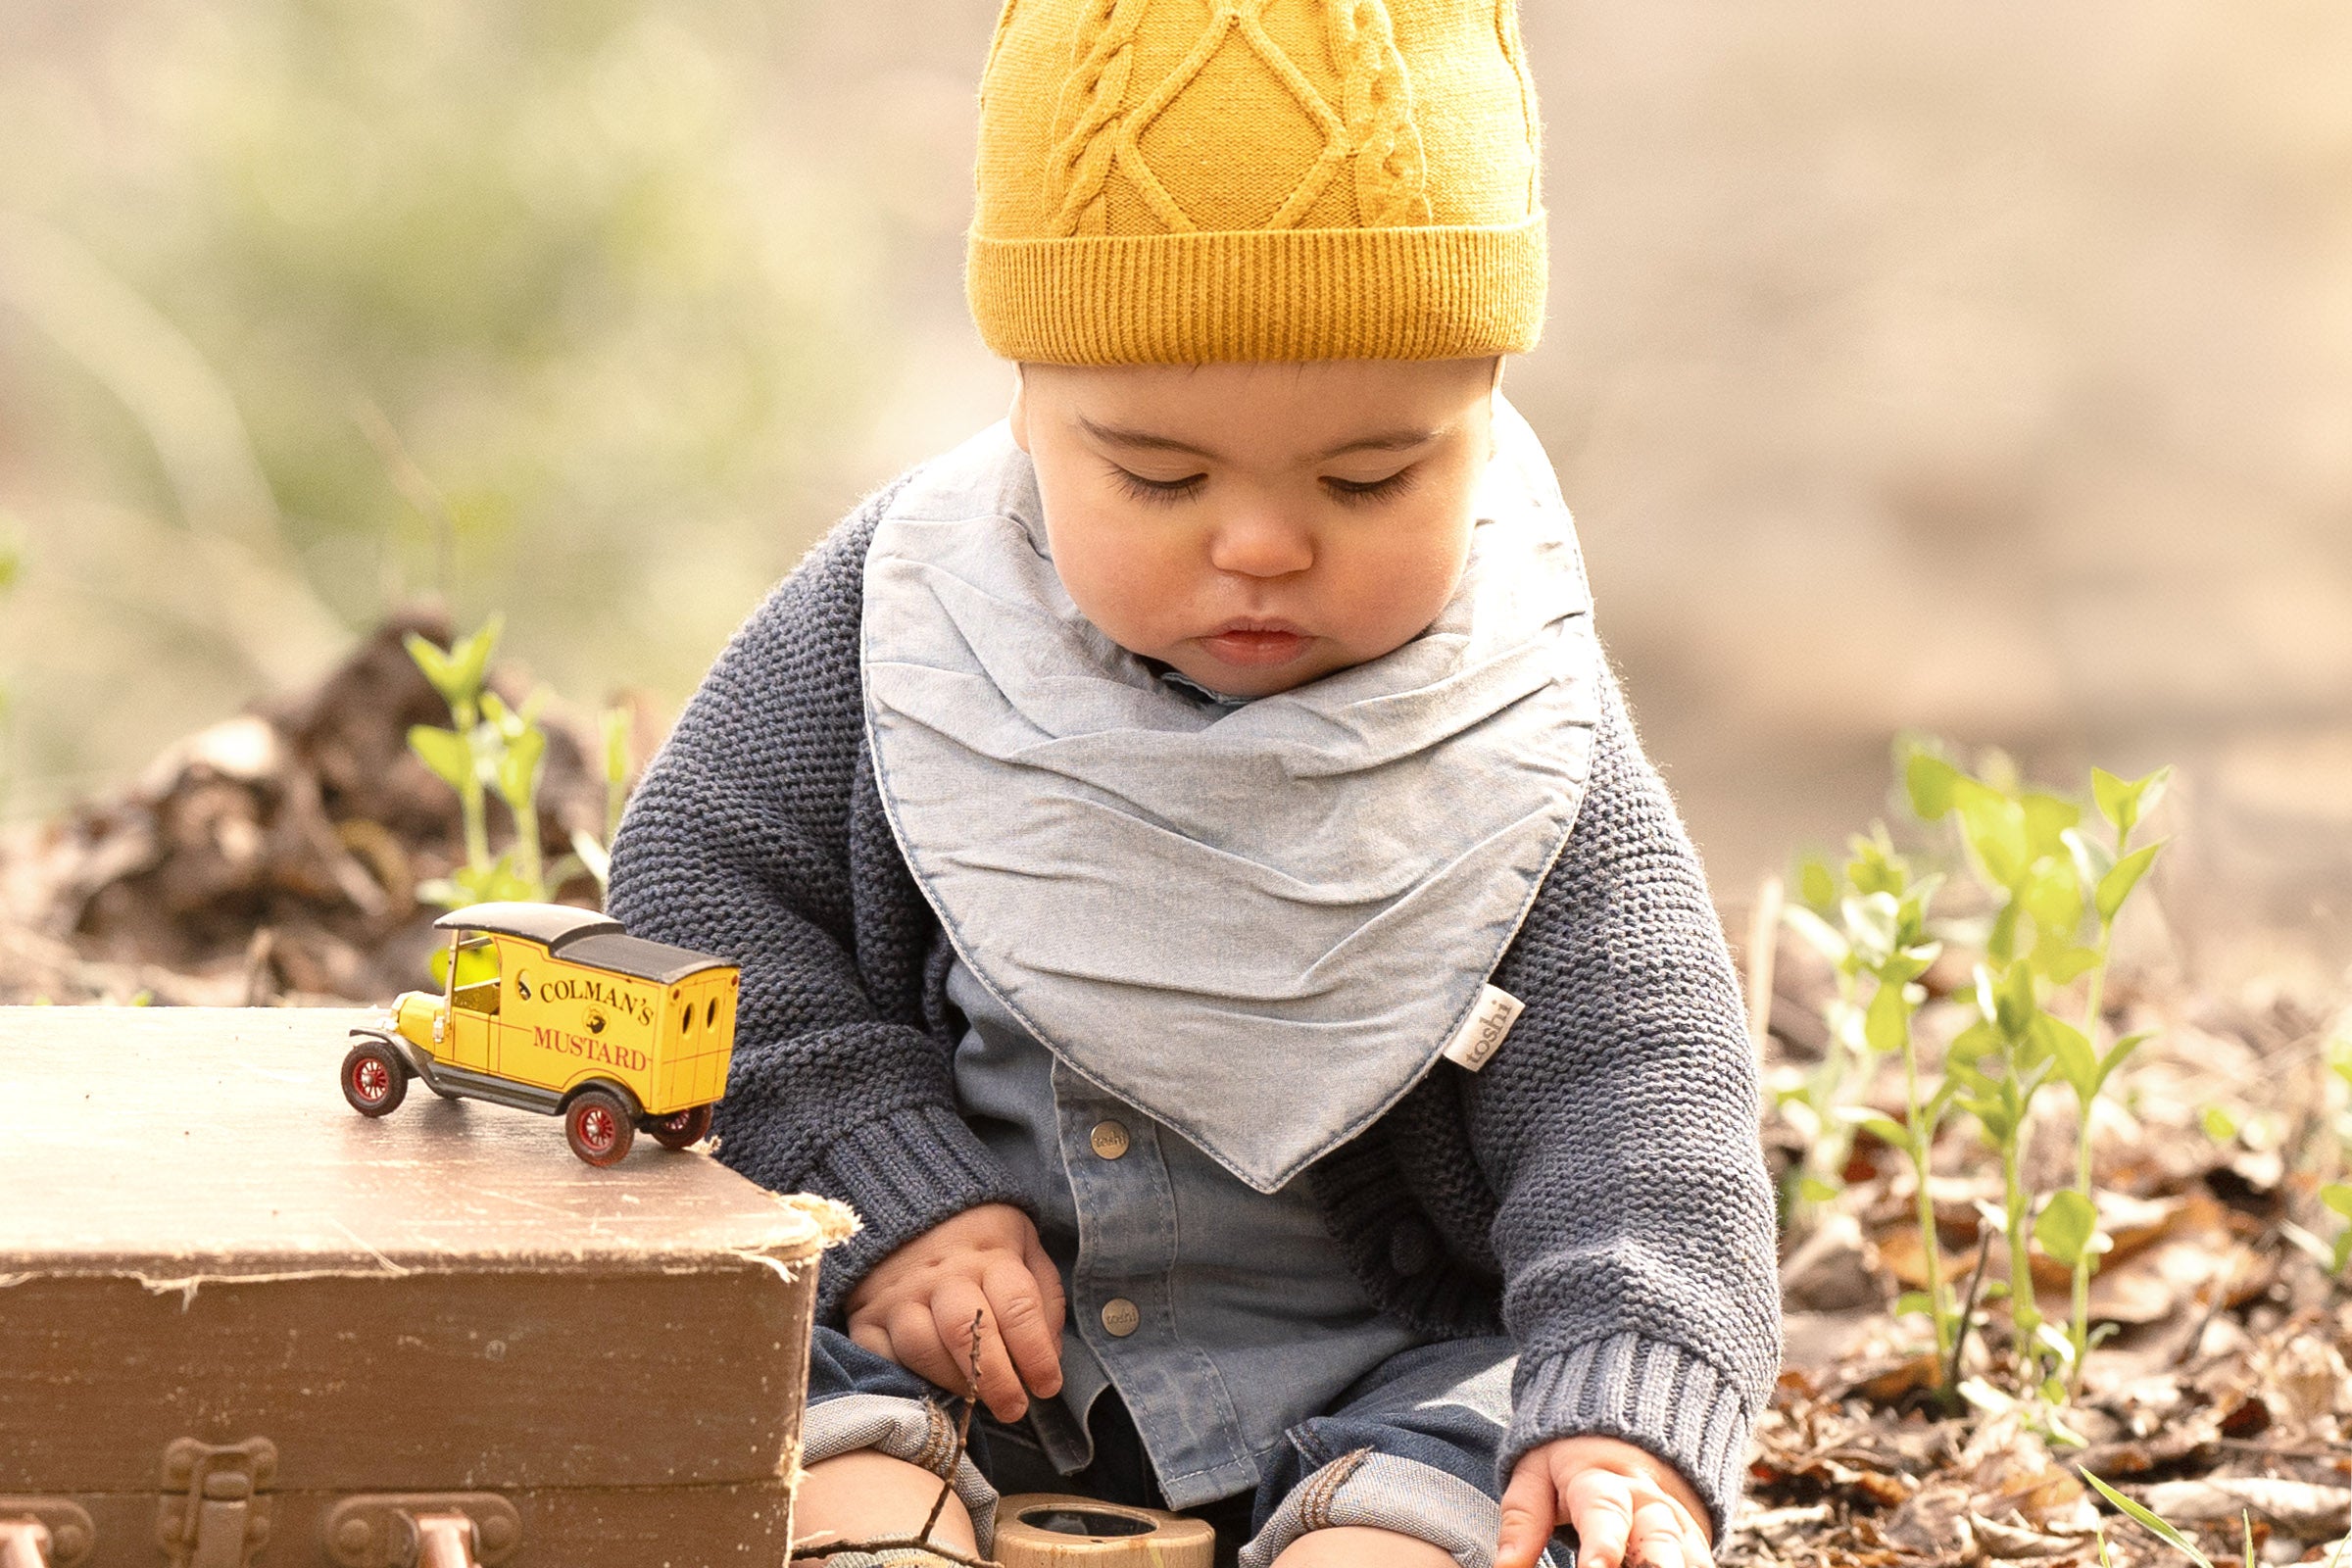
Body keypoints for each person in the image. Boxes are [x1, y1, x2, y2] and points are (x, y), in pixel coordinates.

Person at [604, 4, 1780, 1566]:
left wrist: (1625, 1398)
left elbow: (1640, 1085)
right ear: (1024, 401)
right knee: (759, 1415)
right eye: (1158, 477)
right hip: (954, 1361)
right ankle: (889, 1535)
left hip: (1384, 1372)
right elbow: (704, 893)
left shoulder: (1507, 715)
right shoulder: (908, 614)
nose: (1263, 546)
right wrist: (889, 1191)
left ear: (1487, 416)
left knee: (1483, 1484)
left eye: (1372, 479)